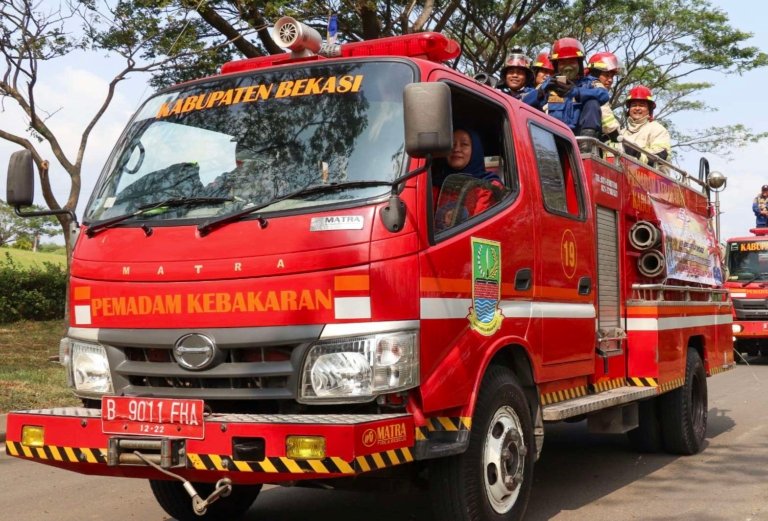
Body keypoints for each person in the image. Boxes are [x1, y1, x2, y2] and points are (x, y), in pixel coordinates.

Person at [522, 37, 609, 150]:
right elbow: (524, 104)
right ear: (556, 65)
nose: (567, 66)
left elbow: (604, 95)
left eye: (572, 61)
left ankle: (586, 146)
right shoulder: (549, 84)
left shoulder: (589, 82)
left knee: (592, 101)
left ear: (579, 63)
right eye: (563, 62)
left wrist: (577, 92)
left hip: (578, 142)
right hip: (552, 141)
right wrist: (542, 91)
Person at [433, 128, 504, 230]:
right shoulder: (433, 186)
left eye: (464, 144)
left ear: (475, 150)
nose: (456, 149)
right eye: (451, 144)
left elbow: (479, 230)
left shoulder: (489, 186)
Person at [619, 85, 672, 165]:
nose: (637, 108)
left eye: (641, 105)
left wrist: (637, 154)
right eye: (634, 105)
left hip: (652, 176)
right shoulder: (622, 133)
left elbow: (662, 156)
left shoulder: (657, 129)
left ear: (649, 110)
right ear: (629, 109)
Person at [585, 52, 622, 142]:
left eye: (612, 76)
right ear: (595, 74)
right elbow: (608, 121)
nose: (610, 80)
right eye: (606, 75)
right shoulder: (597, 89)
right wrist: (618, 137)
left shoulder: (583, 86)